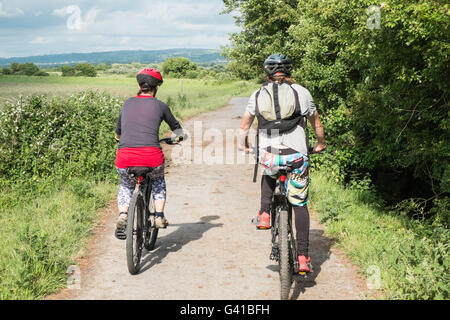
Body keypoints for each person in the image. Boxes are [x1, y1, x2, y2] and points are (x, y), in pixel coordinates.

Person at [238, 54, 326, 273]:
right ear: (289, 71)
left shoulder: (258, 94)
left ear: (267, 73)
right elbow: (316, 122)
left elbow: (244, 125)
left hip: (269, 155)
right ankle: (304, 257)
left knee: (269, 169)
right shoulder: (302, 92)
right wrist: (321, 143)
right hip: (296, 156)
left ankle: (264, 214)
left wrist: (245, 146)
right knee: (299, 203)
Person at [114, 68, 183, 239]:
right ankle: (159, 216)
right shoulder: (161, 106)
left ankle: (123, 214)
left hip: (125, 157)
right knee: (158, 181)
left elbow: (118, 132)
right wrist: (177, 138)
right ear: (156, 87)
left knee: (126, 186)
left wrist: (119, 139)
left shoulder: (127, 103)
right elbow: (178, 130)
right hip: (151, 157)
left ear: (139, 85)